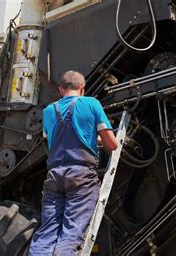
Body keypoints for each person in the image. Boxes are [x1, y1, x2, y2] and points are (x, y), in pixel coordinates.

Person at [29, 71, 118, 255]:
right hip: (81, 177)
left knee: (46, 234)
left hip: (54, 177)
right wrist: (98, 138)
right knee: (70, 235)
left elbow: (55, 138)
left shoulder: (48, 111)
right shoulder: (91, 104)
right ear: (83, 88)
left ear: (61, 90)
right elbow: (112, 144)